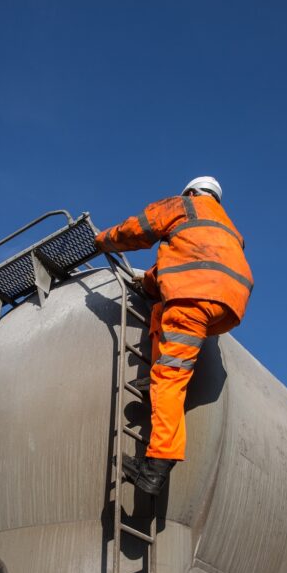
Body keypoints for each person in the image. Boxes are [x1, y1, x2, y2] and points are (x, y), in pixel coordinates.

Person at [94, 176, 253, 495]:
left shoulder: (184, 205)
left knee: (171, 376)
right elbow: (178, 264)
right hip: (228, 305)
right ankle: (154, 377)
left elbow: (137, 228)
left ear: (192, 192)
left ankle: (156, 466)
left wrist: (101, 241)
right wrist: (149, 284)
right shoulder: (227, 228)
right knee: (159, 313)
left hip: (193, 297)